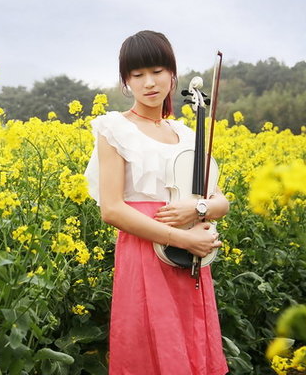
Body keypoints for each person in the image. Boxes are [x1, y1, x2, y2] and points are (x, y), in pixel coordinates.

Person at [84, 30, 229, 375]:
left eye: (157, 71)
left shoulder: (187, 133)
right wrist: (183, 238)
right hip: (147, 249)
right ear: (126, 82)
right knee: (148, 347)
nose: (149, 82)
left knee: (189, 344)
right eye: (137, 75)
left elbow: (220, 199)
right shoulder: (113, 128)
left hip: (189, 257)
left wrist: (198, 210)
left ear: (172, 74)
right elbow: (112, 209)